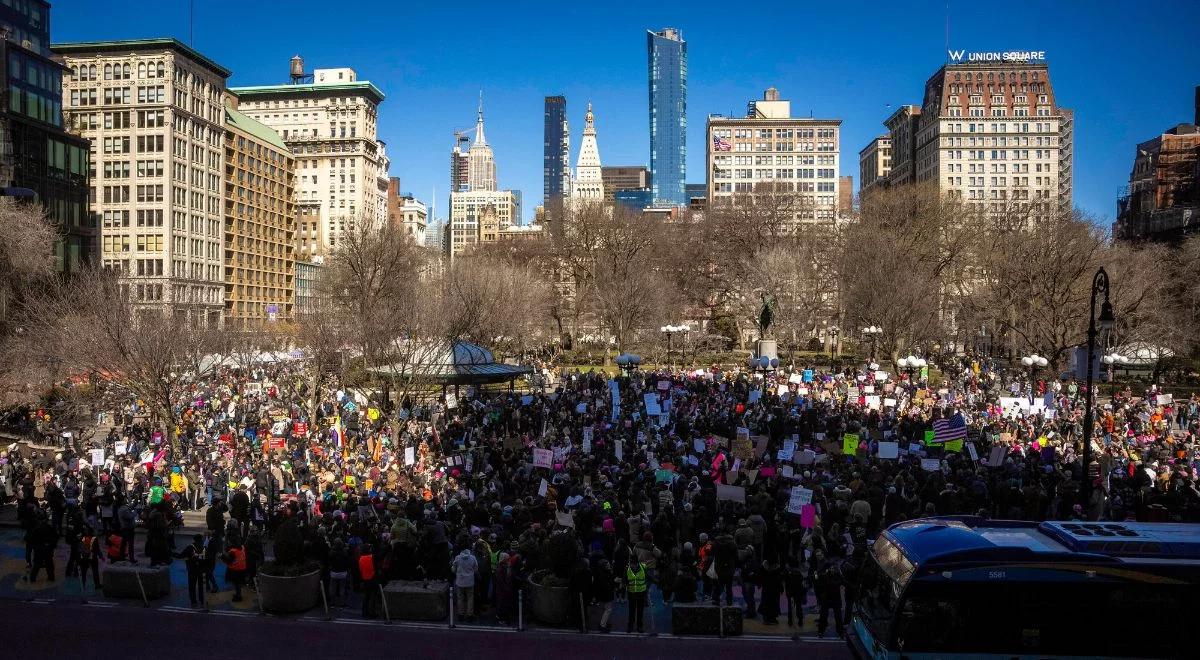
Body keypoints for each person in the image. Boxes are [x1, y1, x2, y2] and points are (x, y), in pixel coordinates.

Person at [175, 534, 207, 608]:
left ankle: (193, 602)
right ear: (201, 540)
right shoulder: (204, 547)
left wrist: (172, 554)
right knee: (201, 586)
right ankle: (202, 600)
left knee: (192, 586)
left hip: (192, 569)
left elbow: (181, 556)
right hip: (202, 569)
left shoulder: (190, 547)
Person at [451, 544, 478, 621]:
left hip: (460, 581)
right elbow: (476, 569)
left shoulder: (458, 558)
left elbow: (453, 570)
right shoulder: (473, 558)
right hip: (470, 581)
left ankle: (461, 614)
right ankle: (469, 614)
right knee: (470, 598)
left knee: (460, 597)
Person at [625, 553, 648, 634]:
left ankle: (639, 626)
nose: (632, 565)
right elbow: (625, 580)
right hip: (631, 593)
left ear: (636, 562)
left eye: (633, 563)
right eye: (631, 563)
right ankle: (630, 626)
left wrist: (648, 586)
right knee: (631, 611)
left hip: (641, 593)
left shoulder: (643, 567)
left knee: (640, 611)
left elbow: (647, 578)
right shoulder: (627, 568)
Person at [592, 558, 615, 633]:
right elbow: (607, 585)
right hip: (607, 594)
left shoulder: (599, 574)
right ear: (604, 566)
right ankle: (602, 625)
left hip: (602, 594)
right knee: (608, 609)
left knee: (604, 609)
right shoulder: (606, 574)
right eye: (607, 564)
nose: (609, 565)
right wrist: (614, 582)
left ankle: (603, 623)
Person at [223, 536, 247, 602]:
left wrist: (222, 556)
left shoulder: (233, 551)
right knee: (238, 583)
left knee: (237, 583)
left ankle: (239, 597)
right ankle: (238, 594)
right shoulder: (242, 547)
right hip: (242, 568)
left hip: (236, 569)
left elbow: (228, 560)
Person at [359, 542, 380, 618]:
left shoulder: (361, 558)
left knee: (366, 596)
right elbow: (376, 567)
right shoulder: (372, 557)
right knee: (372, 596)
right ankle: (372, 612)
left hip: (365, 578)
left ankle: (364, 612)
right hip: (373, 578)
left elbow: (360, 570)